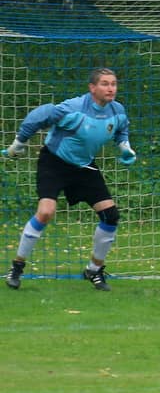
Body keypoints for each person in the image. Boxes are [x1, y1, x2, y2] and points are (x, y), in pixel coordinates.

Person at [3, 67, 136, 291]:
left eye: (113, 84)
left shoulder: (117, 110)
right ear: (92, 88)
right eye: (104, 84)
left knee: (110, 215)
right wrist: (19, 143)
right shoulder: (73, 108)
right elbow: (40, 115)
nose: (111, 88)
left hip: (84, 166)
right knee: (46, 212)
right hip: (54, 163)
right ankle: (16, 267)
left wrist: (125, 147)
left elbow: (121, 129)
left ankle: (93, 270)